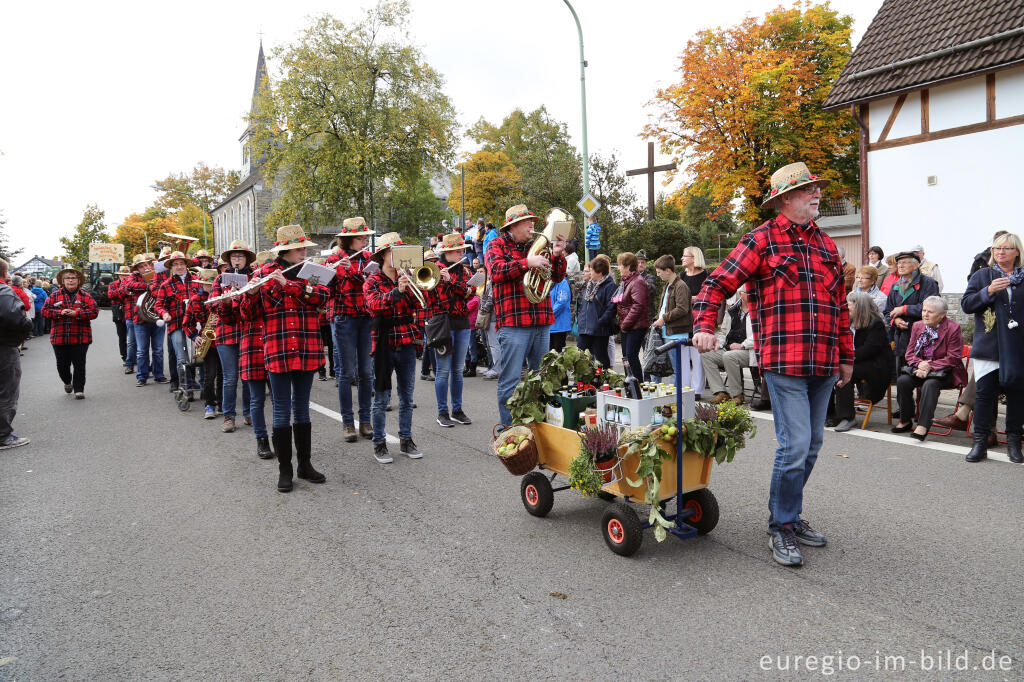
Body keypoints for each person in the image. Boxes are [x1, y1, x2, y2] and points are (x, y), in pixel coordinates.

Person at [692, 161, 853, 567]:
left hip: (824, 362)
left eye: (816, 188)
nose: (817, 194)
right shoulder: (761, 240)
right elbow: (716, 283)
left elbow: (840, 308)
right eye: (807, 190)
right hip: (783, 361)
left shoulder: (827, 245)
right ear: (784, 199)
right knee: (795, 445)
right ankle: (780, 525)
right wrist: (705, 325)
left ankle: (791, 516)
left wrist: (847, 357)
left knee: (812, 446)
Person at [248, 225, 330, 492]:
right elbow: (248, 315)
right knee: (282, 409)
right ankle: (285, 470)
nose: (303, 251)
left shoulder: (311, 272)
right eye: (299, 248)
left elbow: (322, 298)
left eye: (304, 248)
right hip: (278, 347)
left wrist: (290, 285)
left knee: (302, 407)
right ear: (284, 250)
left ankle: (305, 465)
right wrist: (249, 296)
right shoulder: (261, 274)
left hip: (307, 346)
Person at [486, 204, 567, 426]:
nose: (533, 225)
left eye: (532, 221)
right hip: (513, 323)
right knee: (511, 380)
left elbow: (558, 277)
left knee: (540, 379)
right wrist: (527, 263)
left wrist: (558, 255)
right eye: (527, 222)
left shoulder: (538, 245)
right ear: (512, 226)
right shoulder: (496, 244)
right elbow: (496, 272)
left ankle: (536, 426)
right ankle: (509, 428)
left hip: (541, 319)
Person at [961, 232, 1024, 463]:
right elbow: (966, 305)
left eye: (1006, 248)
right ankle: (980, 443)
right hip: (989, 345)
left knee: (1017, 395)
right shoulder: (982, 275)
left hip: (1017, 346)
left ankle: (1014, 442)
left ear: (1017, 251)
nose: (1000, 253)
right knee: (985, 395)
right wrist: (987, 292)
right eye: (997, 248)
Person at [364, 232, 425, 462]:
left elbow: (422, 304)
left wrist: (411, 285)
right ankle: (379, 442)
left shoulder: (408, 277)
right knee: (381, 397)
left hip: (407, 341)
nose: (398, 257)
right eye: (393, 252)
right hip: (383, 342)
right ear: (383, 256)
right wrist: (397, 290)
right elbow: (374, 306)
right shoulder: (372, 280)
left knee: (407, 397)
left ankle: (406, 440)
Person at [326, 218, 376, 442]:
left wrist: (355, 274)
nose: (365, 241)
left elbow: (371, 283)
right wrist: (335, 272)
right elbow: (327, 290)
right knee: (346, 373)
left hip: (365, 317)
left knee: (366, 373)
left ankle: (365, 421)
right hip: (344, 317)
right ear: (347, 239)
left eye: (366, 237)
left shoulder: (367, 258)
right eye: (360, 237)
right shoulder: (334, 258)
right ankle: (348, 422)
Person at [892, 296, 967, 441]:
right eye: (924, 310)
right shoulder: (917, 326)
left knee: (930, 384)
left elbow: (954, 357)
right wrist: (920, 364)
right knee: (903, 381)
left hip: (945, 372)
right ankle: (906, 419)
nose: (925, 314)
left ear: (942, 315)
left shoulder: (953, 328)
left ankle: (923, 425)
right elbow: (909, 353)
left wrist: (929, 366)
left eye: (930, 312)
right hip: (920, 368)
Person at [425, 233, 476, 427]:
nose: (461, 253)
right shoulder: (434, 269)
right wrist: (444, 281)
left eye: (462, 250)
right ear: (447, 252)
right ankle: (442, 412)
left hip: (462, 323)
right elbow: (433, 298)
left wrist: (452, 282)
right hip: (443, 324)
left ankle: (457, 409)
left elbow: (469, 292)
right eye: (458, 251)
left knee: (457, 370)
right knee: (443, 371)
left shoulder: (464, 270)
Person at [831, 291, 894, 432]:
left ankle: (847, 418)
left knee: (844, 374)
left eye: (850, 307)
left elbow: (869, 350)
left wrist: (845, 358)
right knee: (829, 370)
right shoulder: (849, 321)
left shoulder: (875, 323)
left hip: (876, 365)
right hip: (858, 360)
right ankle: (831, 413)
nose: (847, 310)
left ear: (859, 308)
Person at [210, 240, 256, 433]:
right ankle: (229, 416)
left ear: (246, 259)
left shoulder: (254, 276)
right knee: (230, 378)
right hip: (226, 333)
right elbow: (212, 305)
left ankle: (248, 412)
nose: (237, 259)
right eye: (234, 256)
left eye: (241, 256)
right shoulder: (220, 279)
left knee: (248, 376)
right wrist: (226, 300)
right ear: (229, 259)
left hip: (248, 332)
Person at [40, 267, 99, 399]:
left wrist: (77, 313)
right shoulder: (54, 295)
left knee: (79, 364)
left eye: (73, 278)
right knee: (62, 365)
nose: (71, 280)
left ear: (78, 281)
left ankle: (79, 389)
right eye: (68, 278)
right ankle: (67, 381)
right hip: (59, 337)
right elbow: (44, 311)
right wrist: (59, 313)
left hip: (80, 337)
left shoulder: (86, 296)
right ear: (63, 281)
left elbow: (94, 312)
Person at [153, 251, 201, 398]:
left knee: (196, 357)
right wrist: (164, 313)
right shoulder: (165, 285)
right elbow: (158, 305)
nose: (179, 266)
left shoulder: (197, 281)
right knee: (181, 357)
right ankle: (186, 388)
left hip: (194, 326)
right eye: (176, 264)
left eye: (182, 263)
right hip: (177, 325)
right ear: (171, 267)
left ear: (186, 265)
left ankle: (194, 382)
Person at [884, 251, 939, 372]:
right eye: (898, 263)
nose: (900, 266)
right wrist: (895, 320)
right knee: (902, 379)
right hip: (901, 338)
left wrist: (904, 309)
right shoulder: (896, 286)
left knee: (921, 378)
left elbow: (932, 309)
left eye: (904, 263)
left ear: (916, 265)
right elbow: (887, 311)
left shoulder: (928, 283)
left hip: (923, 338)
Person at [182, 268, 224, 422]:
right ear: (201, 284)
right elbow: (187, 324)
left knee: (223, 375)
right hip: (208, 341)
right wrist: (194, 336)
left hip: (224, 339)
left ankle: (222, 404)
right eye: (207, 284)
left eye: (212, 284)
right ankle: (209, 405)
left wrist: (220, 319)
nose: (210, 287)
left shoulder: (222, 296)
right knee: (210, 375)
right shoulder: (195, 300)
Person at [121, 253, 167, 387]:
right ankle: (142, 376)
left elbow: (166, 285)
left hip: (157, 317)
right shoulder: (133, 277)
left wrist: (156, 284)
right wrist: (147, 285)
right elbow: (128, 286)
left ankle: (159, 375)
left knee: (158, 349)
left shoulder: (158, 274)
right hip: (140, 319)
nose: (145, 268)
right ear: (137, 269)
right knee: (142, 350)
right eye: (141, 266)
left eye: (146, 264)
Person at [0, 258, 32, 449]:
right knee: (6, 390)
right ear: (5, 274)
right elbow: (18, 320)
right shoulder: (3, 291)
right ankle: (3, 436)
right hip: (3, 346)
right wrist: (21, 336)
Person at [700, 290, 752, 404]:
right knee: (707, 354)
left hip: (750, 350)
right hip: (729, 349)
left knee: (729, 356)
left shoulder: (759, 310)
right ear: (741, 294)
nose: (752, 293)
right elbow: (723, 332)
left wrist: (742, 345)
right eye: (747, 292)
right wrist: (719, 343)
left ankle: (737, 395)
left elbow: (759, 336)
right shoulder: (732, 311)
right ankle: (720, 392)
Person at [651, 254, 692, 383]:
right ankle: (655, 396)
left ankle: (676, 399)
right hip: (665, 332)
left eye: (659, 272)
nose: (658, 275)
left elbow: (682, 309)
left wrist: (663, 319)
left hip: (675, 334)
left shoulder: (681, 286)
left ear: (668, 270)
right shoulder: (667, 286)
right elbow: (664, 308)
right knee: (656, 366)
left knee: (676, 369)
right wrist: (656, 320)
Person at [576, 255, 617, 368]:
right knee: (581, 357)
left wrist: (600, 322)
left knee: (601, 358)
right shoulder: (589, 285)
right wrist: (580, 319)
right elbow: (582, 305)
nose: (589, 273)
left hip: (599, 330)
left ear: (599, 272)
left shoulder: (610, 286)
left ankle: (603, 382)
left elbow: (612, 308)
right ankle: (581, 382)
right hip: (585, 328)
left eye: (591, 271)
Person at [614, 252, 649, 381]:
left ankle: (638, 385)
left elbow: (638, 306)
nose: (618, 268)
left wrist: (625, 324)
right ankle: (630, 383)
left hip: (635, 326)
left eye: (620, 265)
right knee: (626, 357)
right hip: (628, 326)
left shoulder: (637, 282)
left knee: (631, 356)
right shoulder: (626, 281)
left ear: (628, 266)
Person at [549, 277, 572, 351]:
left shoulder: (562, 282)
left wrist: (548, 314)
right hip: (549, 325)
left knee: (557, 353)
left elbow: (562, 302)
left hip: (559, 326)